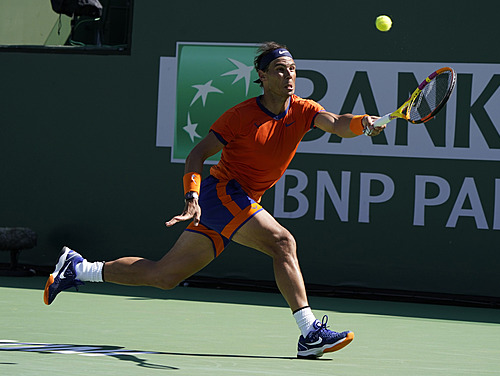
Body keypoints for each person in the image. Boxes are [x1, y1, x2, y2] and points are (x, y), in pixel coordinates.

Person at [43, 41, 386, 358]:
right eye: (280, 70)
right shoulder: (239, 117)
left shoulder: (303, 110)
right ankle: (309, 333)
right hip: (222, 194)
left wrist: (362, 124)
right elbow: (196, 156)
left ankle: (79, 269)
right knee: (282, 242)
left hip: (240, 201)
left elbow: (338, 123)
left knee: (165, 276)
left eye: (293, 69)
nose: (289, 76)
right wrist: (191, 197)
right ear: (263, 77)